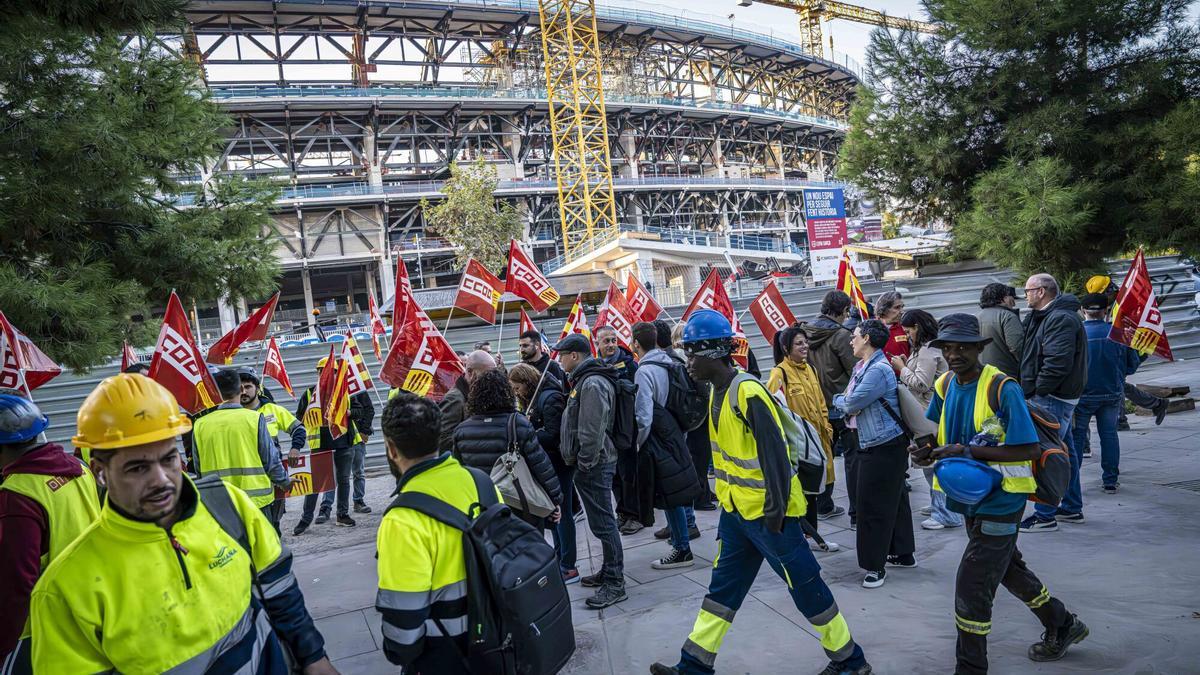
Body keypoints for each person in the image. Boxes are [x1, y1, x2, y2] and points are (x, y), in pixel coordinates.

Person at [34, 373, 336, 674]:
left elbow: (279, 586)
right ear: (100, 471)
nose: (161, 480)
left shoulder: (228, 505)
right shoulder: (65, 588)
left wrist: (314, 657)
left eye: (168, 459)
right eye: (137, 468)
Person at [650, 309, 870, 675]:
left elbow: (776, 456)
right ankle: (693, 665)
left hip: (771, 516)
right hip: (738, 514)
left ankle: (850, 661)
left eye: (691, 353)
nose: (687, 362)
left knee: (805, 586)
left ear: (712, 352)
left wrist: (776, 510)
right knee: (723, 590)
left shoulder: (747, 391)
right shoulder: (716, 392)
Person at [916, 313, 1087, 674]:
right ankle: (1062, 623)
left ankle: (971, 667)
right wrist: (925, 450)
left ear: (979, 348)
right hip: (969, 498)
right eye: (948, 347)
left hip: (1003, 499)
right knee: (1008, 569)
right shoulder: (945, 384)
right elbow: (936, 432)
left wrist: (967, 451)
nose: (954, 354)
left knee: (972, 584)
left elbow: (1029, 449)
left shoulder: (1001, 387)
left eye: (963, 347)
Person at [374, 392, 500, 674]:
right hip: (498, 640)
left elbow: (403, 631)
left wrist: (400, 654)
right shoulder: (480, 481)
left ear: (391, 449)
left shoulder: (402, 519)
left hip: (447, 655)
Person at [0, 395, 101, 674]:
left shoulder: (18, 494)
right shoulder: (78, 468)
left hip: (39, 629)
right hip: (92, 608)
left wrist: (3, 644)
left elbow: (16, 582)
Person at [833, 319, 915, 589]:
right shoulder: (862, 366)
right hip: (880, 441)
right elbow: (853, 400)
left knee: (871, 505)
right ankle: (903, 553)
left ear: (867, 338)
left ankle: (874, 566)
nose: (851, 340)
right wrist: (848, 402)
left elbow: (851, 401)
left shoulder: (877, 369)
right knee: (895, 498)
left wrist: (838, 401)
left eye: (855, 336)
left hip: (881, 443)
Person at [556, 333, 627, 609]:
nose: (560, 360)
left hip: (595, 463)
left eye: (562, 355)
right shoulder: (584, 380)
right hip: (592, 463)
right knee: (601, 522)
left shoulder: (592, 383)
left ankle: (615, 582)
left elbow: (591, 429)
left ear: (574, 356)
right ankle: (608, 570)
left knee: (604, 524)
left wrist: (585, 462)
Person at [1017, 274, 1088, 533]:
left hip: (1052, 397)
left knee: (1046, 454)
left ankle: (1045, 515)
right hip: (1053, 396)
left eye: (1028, 290)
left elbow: (1057, 362)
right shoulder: (1046, 316)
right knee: (1063, 452)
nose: (1025, 295)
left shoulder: (1060, 318)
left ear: (1041, 291)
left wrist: (1038, 390)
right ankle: (1071, 507)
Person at [453, 369, 562, 531]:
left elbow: (459, 472)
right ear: (506, 393)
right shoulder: (518, 423)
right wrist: (555, 499)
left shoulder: (461, 431)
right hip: (520, 505)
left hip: (482, 507)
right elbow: (540, 464)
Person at [631, 321, 701, 570]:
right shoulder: (671, 362)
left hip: (658, 438)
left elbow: (643, 416)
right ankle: (681, 540)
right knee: (676, 489)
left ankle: (682, 548)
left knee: (670, 495)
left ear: (636, 343)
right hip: (676, 432)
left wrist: (637, 444)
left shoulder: (644, 371)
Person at [767, 325, 840, 552]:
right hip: (799, 445)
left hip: (820, 442)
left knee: (815, 492)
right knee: (804, 494)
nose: (805, 346)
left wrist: (827, 429)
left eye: (805, 342)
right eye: (799, 343)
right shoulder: (779, 374)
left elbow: (821, 403)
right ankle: (804, 539)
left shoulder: (811, 369)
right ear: (786, 348)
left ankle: (810, 537)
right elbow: (774, 410)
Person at [890, 309, 961, 531]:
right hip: (929, 413)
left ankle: (946, 513)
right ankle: (939, 504)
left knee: (933, 462)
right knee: (931, 461)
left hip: (929, 414)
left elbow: (921, 383)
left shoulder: (928, 350)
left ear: (917, 327)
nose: (907, 335)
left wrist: (902, 369)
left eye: (908, 330)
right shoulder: (926, 349)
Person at [193, 368, 290, 521]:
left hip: (218, 503)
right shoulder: (255, 419)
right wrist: (284, 482)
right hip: (256, 502)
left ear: (215, 393)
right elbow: (270, 460)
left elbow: (198, 469)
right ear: (241, 389)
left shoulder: (200, 425)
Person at [510, 362, 578, 583]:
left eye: (518, 387)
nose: (516, 392)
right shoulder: (535, 398)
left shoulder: (549, 397)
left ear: (527, 382)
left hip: (558, 463)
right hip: (547, 463)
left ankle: (569, 565)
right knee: (554, 512)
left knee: (563, 513)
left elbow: (554, 433)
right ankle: (560, 557)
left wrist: (527, 433)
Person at [293, 358, 374, 534]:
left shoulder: (346, 393)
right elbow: (299, 418)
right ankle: (306, 519)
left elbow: (360, 411)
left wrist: (348, 412)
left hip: (344, 444)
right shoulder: (310, 394)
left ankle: (342, 515)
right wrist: (312, 415)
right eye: (323, 371)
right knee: (315, 484)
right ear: (318, 373)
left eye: (333, 371)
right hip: (320, 446)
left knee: (344, 480)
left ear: (338, 374)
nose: (328, 374)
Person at [1076, 293, 1142, 493]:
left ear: (1083, 311)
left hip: (1082, 395)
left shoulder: (1077, 334)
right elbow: (1132, 365)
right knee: (1109, 436)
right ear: (1106, 311)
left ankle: (1072, 482)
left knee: (1077, 438)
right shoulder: (1119, 333)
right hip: (1112, 393)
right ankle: (1110, 480)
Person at [806, 291, 856, 521]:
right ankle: (856, 512)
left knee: (822, 455)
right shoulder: (841, 335)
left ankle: (823, 505)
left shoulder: (805, 332)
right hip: (841, 404)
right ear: (844, 310)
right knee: (852, 459)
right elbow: (855, 370)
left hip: (815, 405)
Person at [239, 367, 307, 531]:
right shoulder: (233, 414)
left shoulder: (273, 410)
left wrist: (295, 448)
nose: (243, 392)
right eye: (239, 388)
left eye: (248, 387)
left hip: (274, 480)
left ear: (257, 388)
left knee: (274, 527)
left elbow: (299, 429)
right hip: (244, 484)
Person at [669, 320, 717, 512]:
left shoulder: (677, 357)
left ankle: (704, 492)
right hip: (697, 413)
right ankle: (701, 496)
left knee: (700, 456)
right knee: (700, 456)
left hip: (693, 414)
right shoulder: (682, 358)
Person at [437, 350, 497, 455]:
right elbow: (443, 440)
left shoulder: (476, 392)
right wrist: (473, 444)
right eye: (487, 374)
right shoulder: (455, 398)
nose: (492, 379)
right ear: (470, 372)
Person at [977, 283, 1025, 377]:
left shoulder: (976, 317)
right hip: (1005, 375)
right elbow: (1017, 347)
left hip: (981, 374)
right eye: (1012, 299)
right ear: (1004, 298)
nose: (1014, 303)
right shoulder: (1007, 316)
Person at [875, 291, 910, 370]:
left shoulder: (906, 327)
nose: (902, 311)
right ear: (884, 309)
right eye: (897, 307)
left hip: (904, 375)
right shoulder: (873, 328)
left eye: (902, 307)